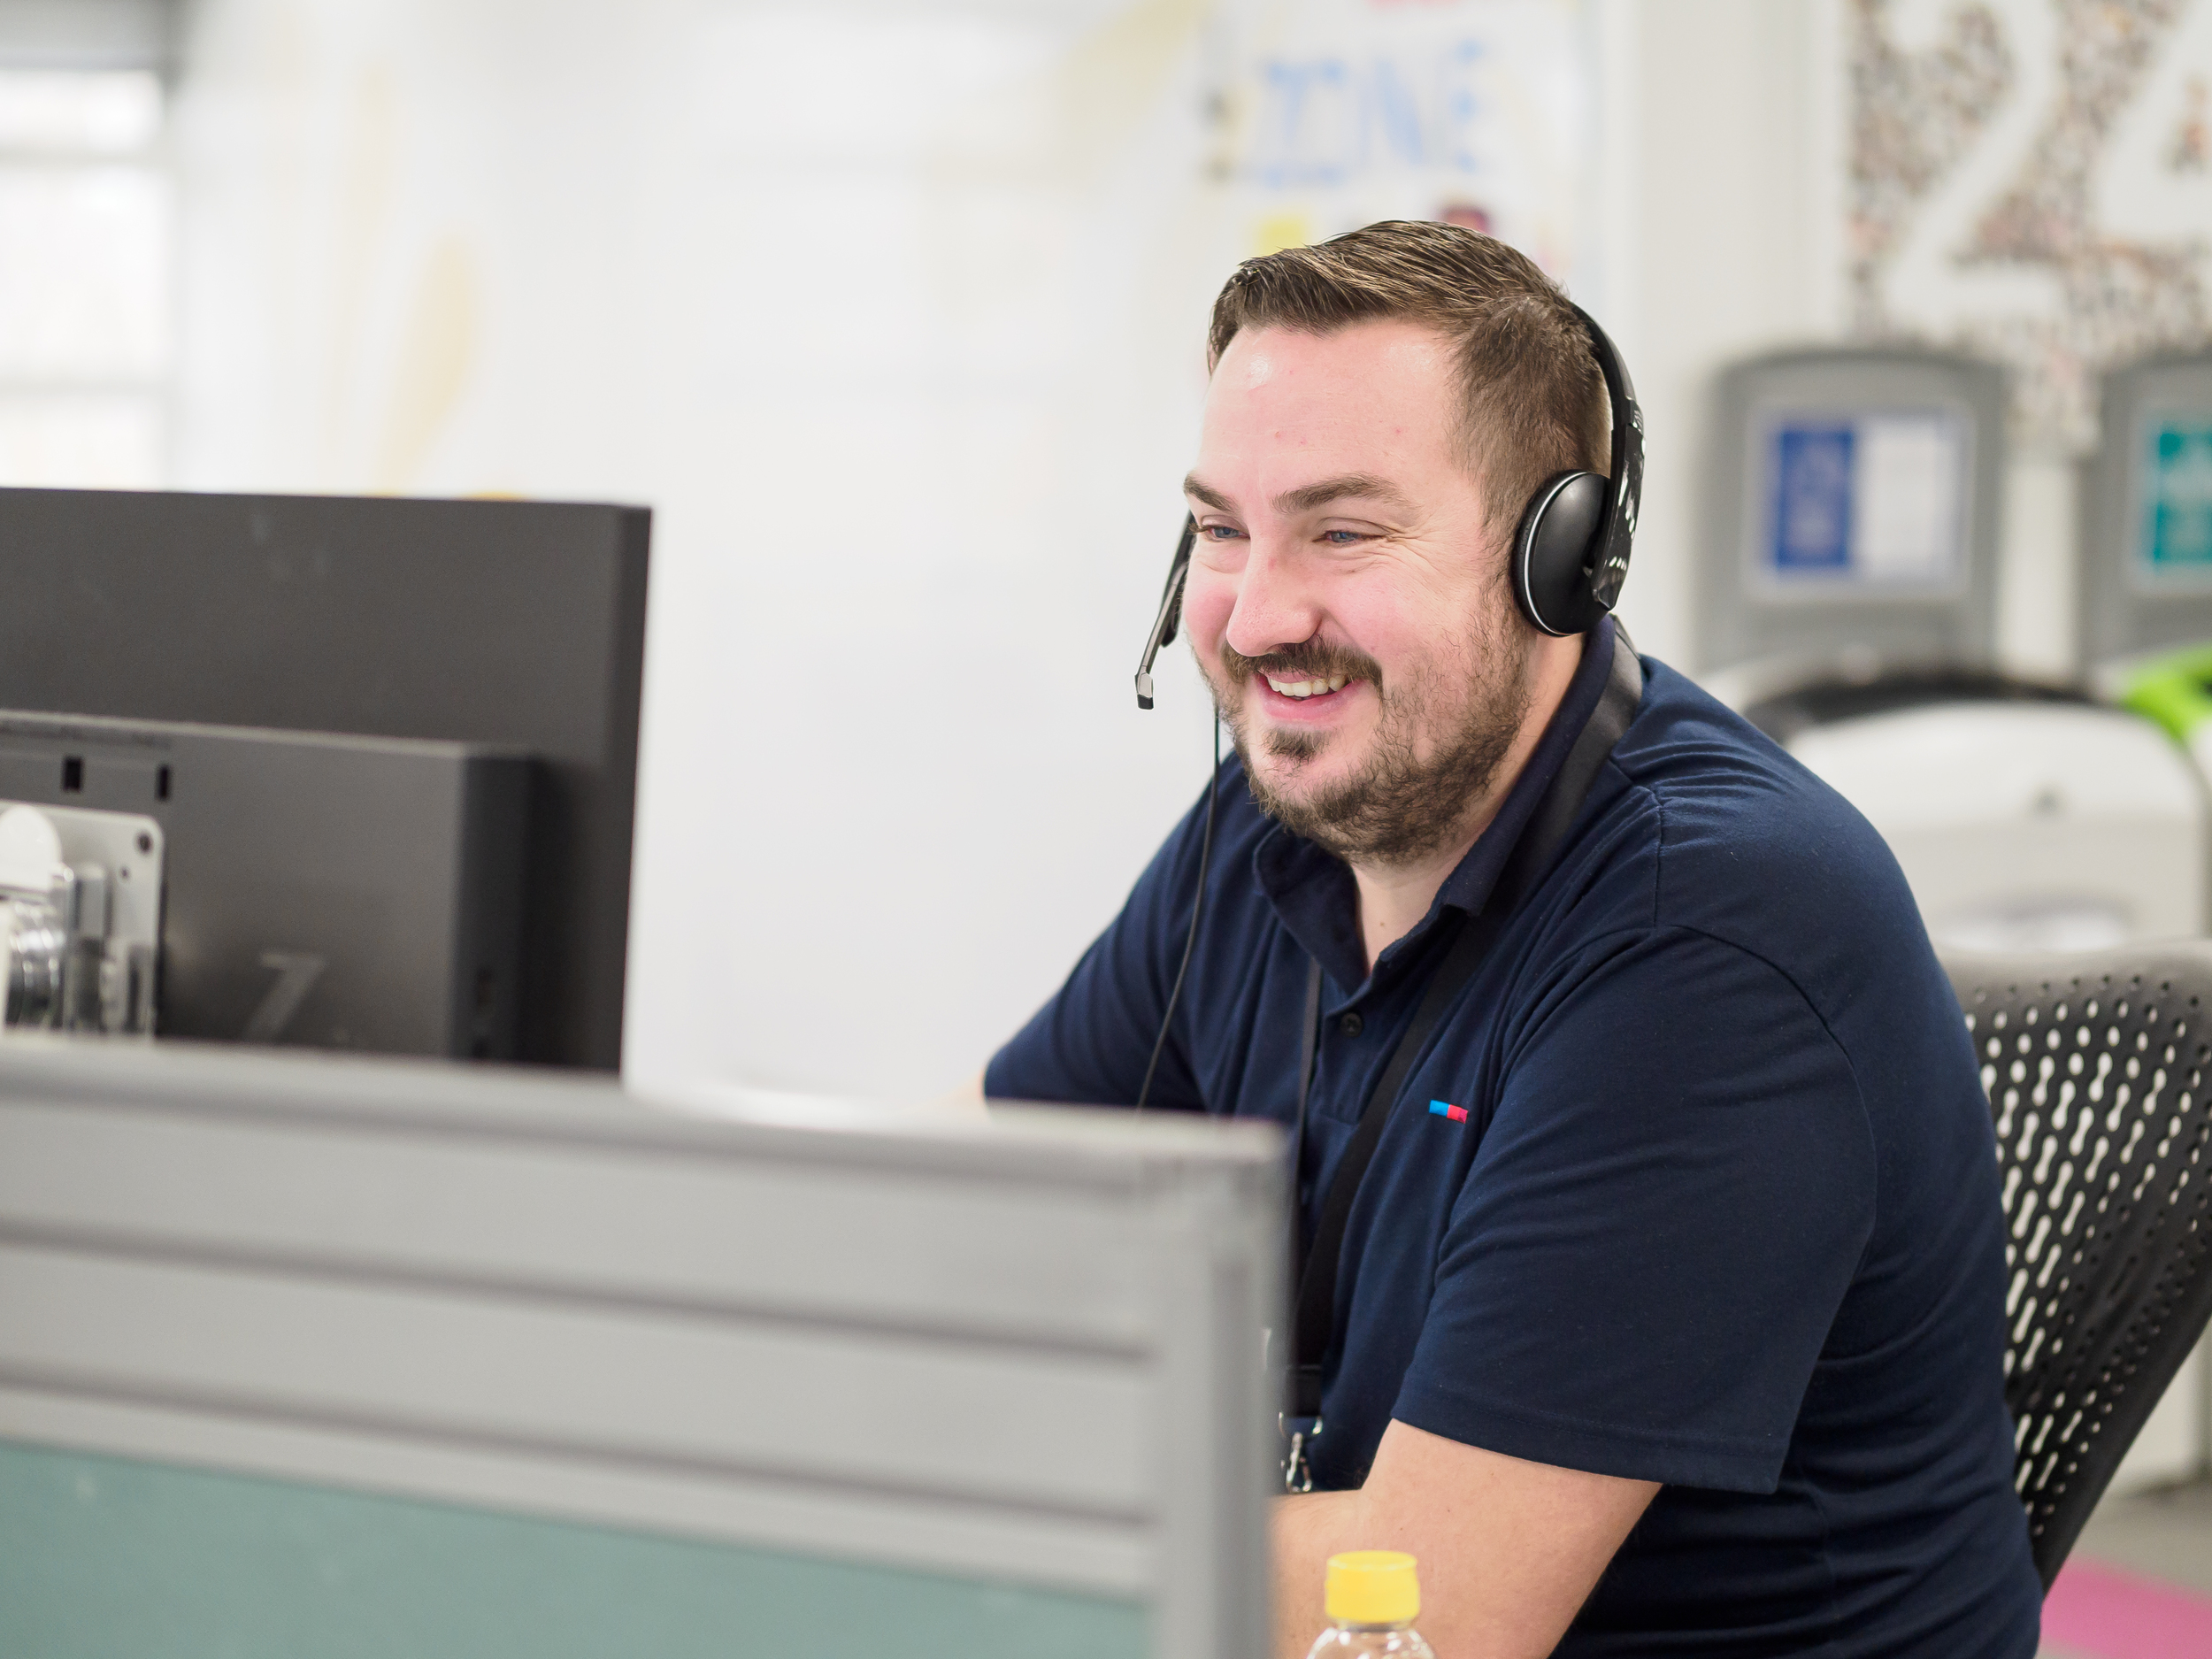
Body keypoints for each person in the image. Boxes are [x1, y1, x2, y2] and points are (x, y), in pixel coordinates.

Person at [976, 221, 2040, 1656]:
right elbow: (1001, 1190)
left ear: (1561, 558)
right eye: (1224, 530)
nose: (1257, 616)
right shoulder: (1272, 824)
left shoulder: (1708, 935)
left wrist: (945, 1504)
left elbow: (1417, 1609)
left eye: (1344, 530)